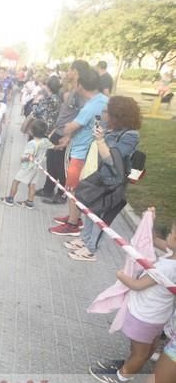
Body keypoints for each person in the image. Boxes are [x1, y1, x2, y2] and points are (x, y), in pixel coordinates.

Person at [90, 211, 176, 383]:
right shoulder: (172, 256)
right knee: (146, 346)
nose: (169, 233)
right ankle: (130, 364)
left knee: (140, 351)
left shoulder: (168, 269)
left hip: (146, 316)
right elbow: (153, 241)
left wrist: (121, 275)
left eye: (172, 231)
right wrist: (149, 221)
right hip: (156, 316)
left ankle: (123, 376)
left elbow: (137, 285)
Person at [64, 96, 141, 261]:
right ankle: (85, 240)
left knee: (101, 217)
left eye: (107, 112)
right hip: (101, 176)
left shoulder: (130, 135)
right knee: (91, 209)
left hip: (114, 182)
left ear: (117, 114)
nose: (103, 114)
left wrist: (100, 140)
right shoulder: (112, 130)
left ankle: (91, 249)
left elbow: (112, 160)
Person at [50, 68, 108, 236]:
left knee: (72, 188)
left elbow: (72, 125)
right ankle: (74, 216)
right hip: (88, 150)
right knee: (74, 188)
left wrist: (66, 129)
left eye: (76, 81)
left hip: (81, 153)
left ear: (81, 85)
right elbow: (96, 125)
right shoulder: (103, 100)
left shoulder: (91, 106)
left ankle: (72, 224)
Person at [38, 60, 90, 203]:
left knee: (61, 166)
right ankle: (48, 190)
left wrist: (69, 135)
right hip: (58, 130)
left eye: (70, 69)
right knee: (51, 162)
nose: (67, 72)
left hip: (66, 134)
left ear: (76, 71)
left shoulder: (81, 92)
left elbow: (81, 115)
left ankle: (61, 194)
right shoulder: (72, 88)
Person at [0, 119, 53, 209]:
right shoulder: (45, 141)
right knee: (32, 184)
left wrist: (23, 158)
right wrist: (60, 147)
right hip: (36, 168)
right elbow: (53, 146)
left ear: (31, 132)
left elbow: (26, 158)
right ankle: (29, 202)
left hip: (27, 167)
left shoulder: (31, 143)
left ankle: (10, 199)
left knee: (16, 181)